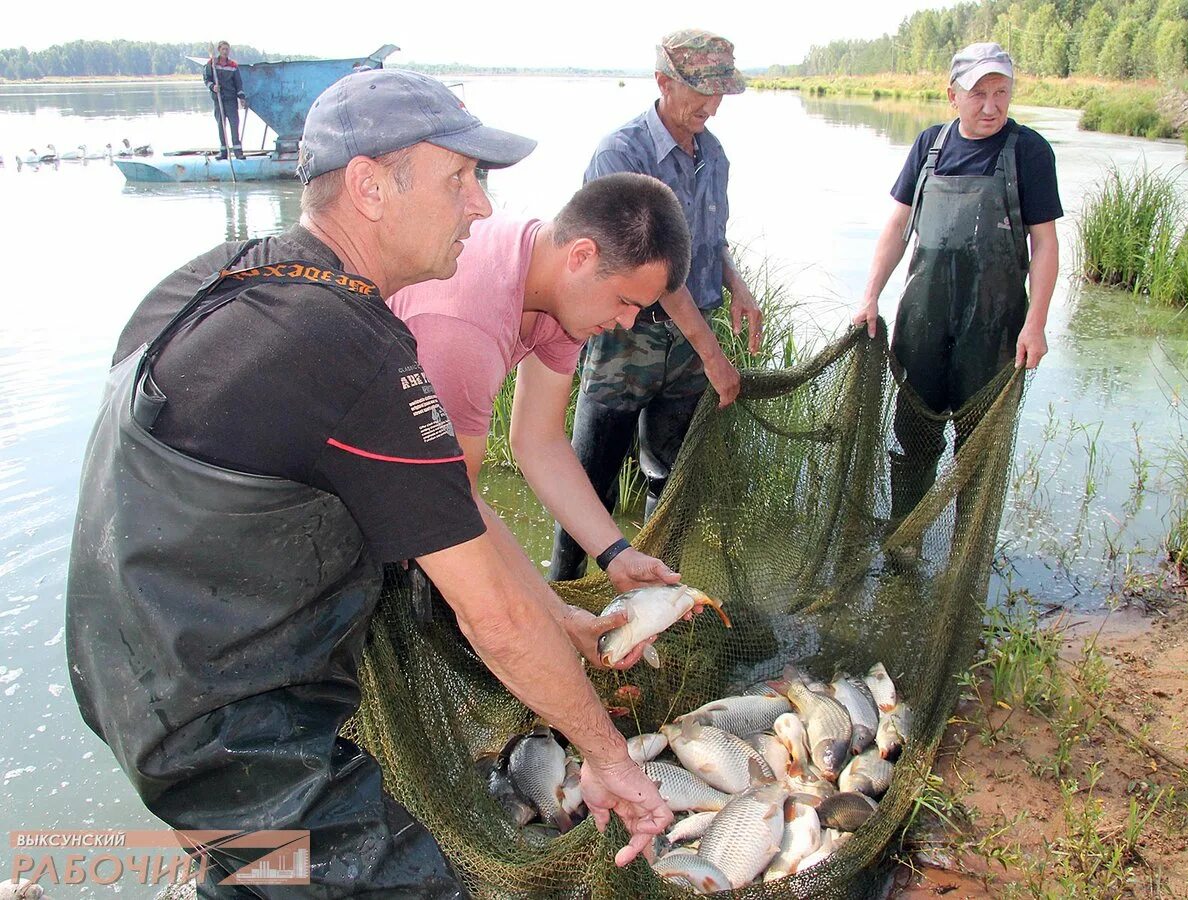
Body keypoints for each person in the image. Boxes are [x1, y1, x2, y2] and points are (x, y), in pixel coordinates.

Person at [65, 69, 671, 898]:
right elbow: (490, 612)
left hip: (127, 674)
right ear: (370, 185)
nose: (483, 207)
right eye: (461, 180)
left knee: (260, 870)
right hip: (225, 728)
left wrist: (560, 606)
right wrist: (609, 759)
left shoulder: (219, 274)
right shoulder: (357, 351)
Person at [389, 174, 691, 591]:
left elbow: (539, 440)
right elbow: (455, 501)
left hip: (418, 473)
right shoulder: (464, 330)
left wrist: (617, 554)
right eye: (625, 302)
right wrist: (554, 616)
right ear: (582, 256)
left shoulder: (556, 287)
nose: (626, 323)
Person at [550, 29, 763, 582]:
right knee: (590, 478)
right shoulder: (621, 153)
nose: (712, 106)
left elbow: (708, 242)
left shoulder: (712, 154)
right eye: (701, 90)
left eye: (721, 93)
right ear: (663, 81)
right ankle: (565, 594)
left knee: (665, 478)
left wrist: (737, 285)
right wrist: (713, 353)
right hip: (627, 331)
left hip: (693, 340)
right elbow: (653, 271)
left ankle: (651, 592)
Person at [852, 42, 1061, 520]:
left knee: (978, 447)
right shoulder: (930, 144)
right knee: (913, 440)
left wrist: (1037, 323)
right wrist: (870, 296)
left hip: (993, 327)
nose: (991, 107)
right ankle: (905, 542)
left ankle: (964, 555)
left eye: (1001, 93)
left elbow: (1045, 245)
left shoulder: (1028, 151)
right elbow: (897, 225)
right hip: (923, 320)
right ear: (953, 95)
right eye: (978, 94)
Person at [203, 40, 247, 161]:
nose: (225, 51)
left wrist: (241, 98)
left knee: (234, 124)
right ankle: (223, 152)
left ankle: (238, 152)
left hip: (231, 100)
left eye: (227, 49)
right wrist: (213, 87)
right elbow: (206, 79)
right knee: (221, 125)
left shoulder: (233, 65)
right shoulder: (212, 64)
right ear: (219, 50)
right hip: (218, 100)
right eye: (223, 49)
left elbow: (238, 83)